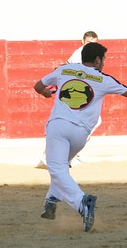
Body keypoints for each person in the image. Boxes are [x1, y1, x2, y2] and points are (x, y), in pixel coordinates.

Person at [33, 42, 127, 232]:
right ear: (98, 60)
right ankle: (51, 200)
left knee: (56, 168)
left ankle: (82, 203)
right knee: (61, 166)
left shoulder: (64, 70)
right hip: (80, 134)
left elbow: (38, 86)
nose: (104, 63)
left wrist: (45, 94)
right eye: (104, 59)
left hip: (59, 125)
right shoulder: (103, 79)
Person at [36, 31, 100, 169]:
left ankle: (57, 156)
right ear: (83, 42)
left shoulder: (86, 54)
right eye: (89, 43)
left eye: (94, 43)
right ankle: (62, 155)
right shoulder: (80, 54)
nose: (91, 46)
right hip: (74, 94)